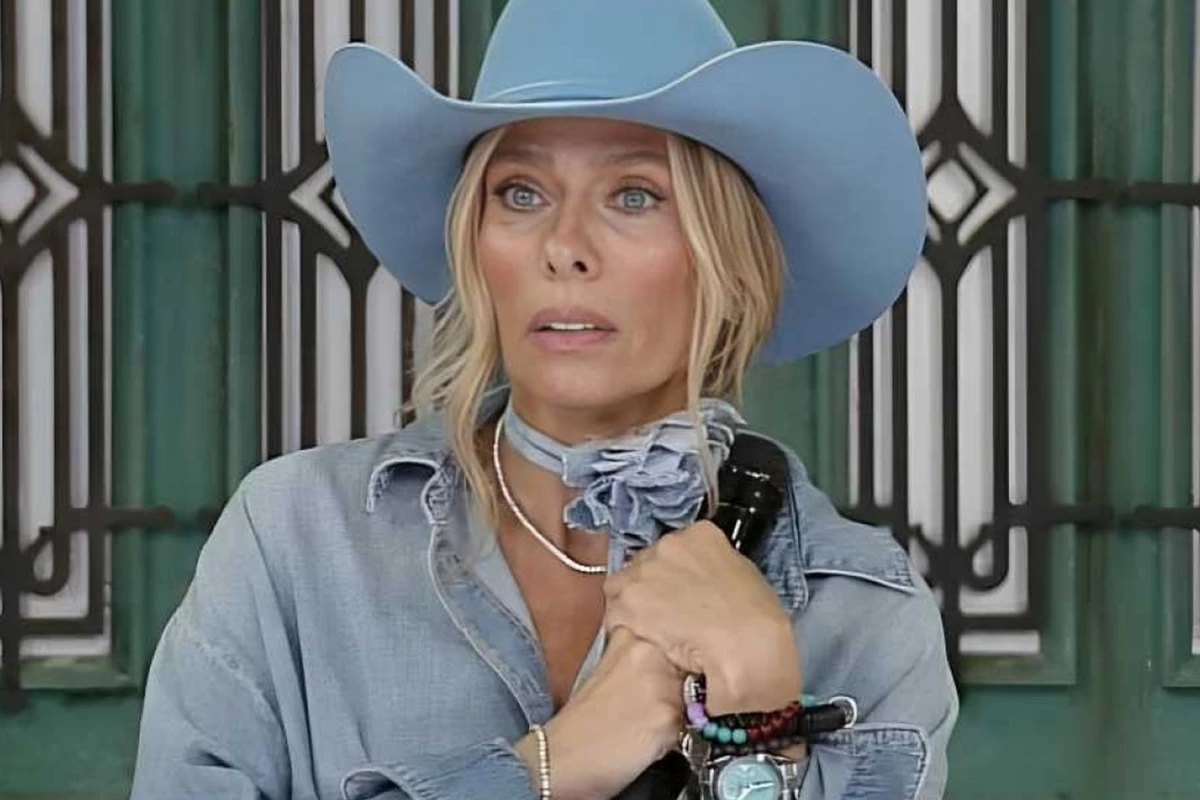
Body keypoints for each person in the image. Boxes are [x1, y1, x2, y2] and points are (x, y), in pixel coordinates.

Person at [129, 1, 957, 798]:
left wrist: (757, 713)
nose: (563, 248)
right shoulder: (298, 542)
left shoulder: (861, 610)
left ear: (727, 259)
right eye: (521, 193)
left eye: (635, 195)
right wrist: (557, 764)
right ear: (474, 241)